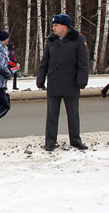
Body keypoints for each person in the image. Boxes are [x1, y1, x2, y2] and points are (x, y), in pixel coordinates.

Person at [36, 14, 90, 151]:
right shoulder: (51, 40)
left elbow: (83, 63)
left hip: (71, 84)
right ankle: (50, 142)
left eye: (56, 25)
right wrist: (40, 79)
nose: (53, 28)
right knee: (52, 116)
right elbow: (44, 62)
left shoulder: (78, 39)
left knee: (73, 115)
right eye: (53, 25)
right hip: (54, 82)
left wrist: (82, 80)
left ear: (64, 27)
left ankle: (76, 140)